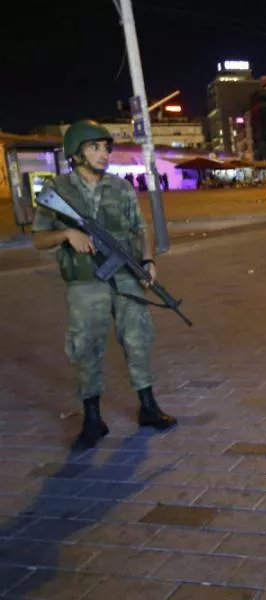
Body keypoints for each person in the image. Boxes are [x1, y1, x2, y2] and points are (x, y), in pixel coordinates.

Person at [31, 120, 177, 450]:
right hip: (85, 281)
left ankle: (148, 407)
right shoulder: (59, 190)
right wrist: (67, 233)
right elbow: (38, 239)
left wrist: (148, 261)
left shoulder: (120, 187)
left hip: (125, 274)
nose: (104, 154)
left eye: (106, 148)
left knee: (138, 337)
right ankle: (93, 418)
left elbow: (140, 229)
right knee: (87, 345)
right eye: (94, 148)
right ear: (75, 154)